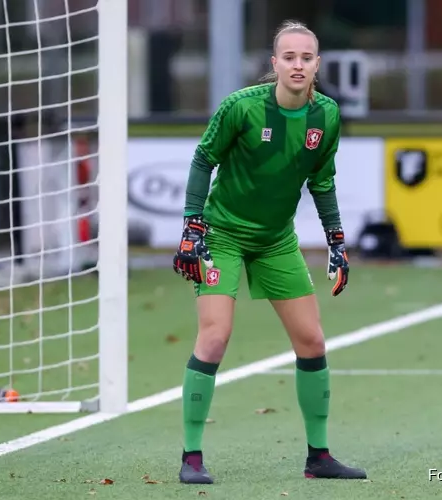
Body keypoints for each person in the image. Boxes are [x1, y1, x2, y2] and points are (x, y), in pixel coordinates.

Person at [171, 20, 367, 485]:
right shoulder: (241, 108)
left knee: (313, 341)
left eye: (306, 57)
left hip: (276, 239)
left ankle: (318, 456)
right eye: (289, 57)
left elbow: (321, 180)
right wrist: (192, 225)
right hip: (222, 235)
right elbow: (203, 159)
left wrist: (336, 240)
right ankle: (192, 457)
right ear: (274, 63)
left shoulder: (327, 116)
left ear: (316, 65)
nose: (297, 64)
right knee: (215, 337)